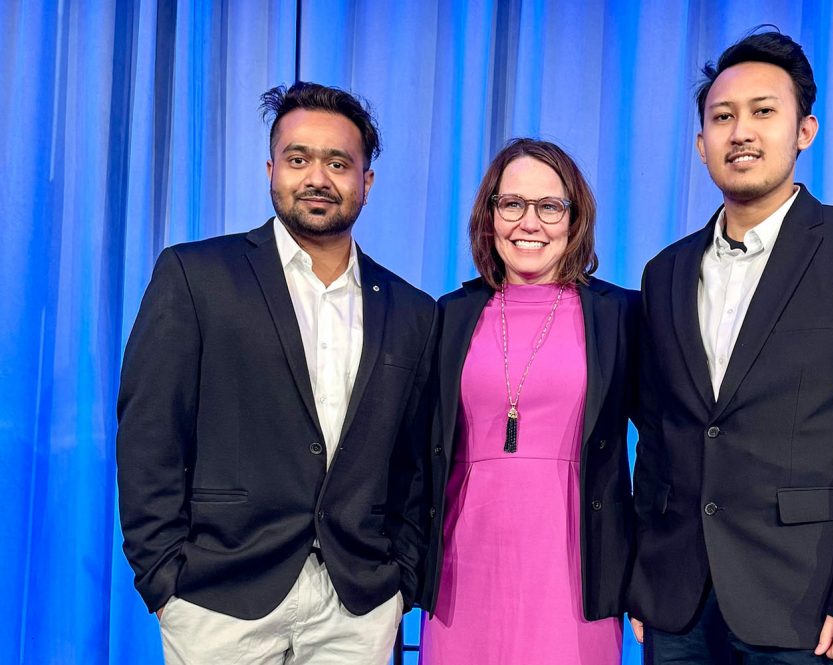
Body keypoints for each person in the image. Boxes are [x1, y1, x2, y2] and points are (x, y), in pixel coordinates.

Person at [627, 28, 833, 663]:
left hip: (808, 600)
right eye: (722, 117)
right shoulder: (666, 271)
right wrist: (643, 580)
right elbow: (659, 435)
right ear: (700, 143)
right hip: (677, 600)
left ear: (804, 131)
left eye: (764, 112)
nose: (741, 131)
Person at [116, 82, 436, 664]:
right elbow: (149, 433)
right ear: (271, 169)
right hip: (218, 596)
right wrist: (163, 577)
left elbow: (414, 463)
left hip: (357, 604)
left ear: (366, 181)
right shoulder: (196, 275)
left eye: (339, 163)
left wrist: (402, 580)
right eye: (298, 159)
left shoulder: (413, 311)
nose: (318, 177)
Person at [418, 139, 638, 664]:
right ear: (490, 215)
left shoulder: (620, 315)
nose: (529, 223)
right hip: (462, 566)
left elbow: (665, 447)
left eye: (549, 207)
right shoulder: (447, 315)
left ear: (574, 218)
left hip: (575, 565)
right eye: (512, 204)